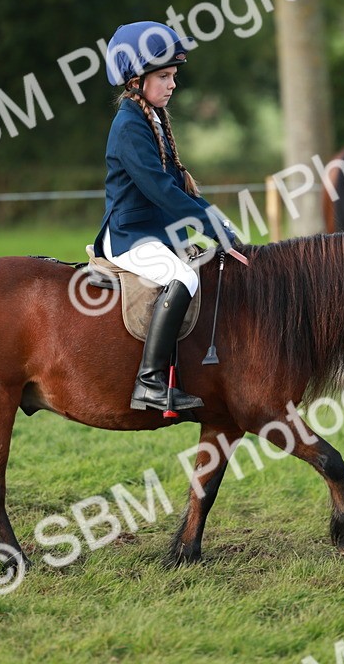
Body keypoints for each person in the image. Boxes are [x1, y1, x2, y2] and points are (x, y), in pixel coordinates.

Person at [93, 21, 238, 413]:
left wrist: (219, 229)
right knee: (184, 276)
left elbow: (178, 188)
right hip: (129, 235)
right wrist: (214, 226)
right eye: (164, 76)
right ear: (135, 80)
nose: (173, 84)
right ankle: (150, 383)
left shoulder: (152, 118)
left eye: (174, 75)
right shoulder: (129, 125)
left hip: (156, 231)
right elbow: (160, 189)